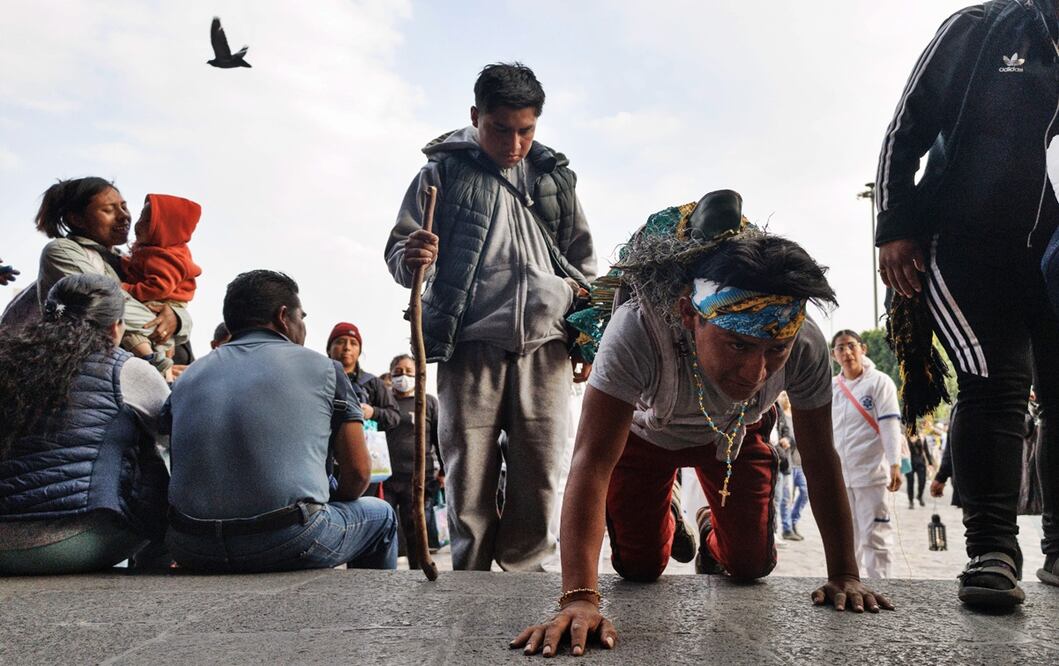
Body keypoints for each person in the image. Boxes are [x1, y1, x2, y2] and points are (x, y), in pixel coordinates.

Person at [512, 191, 891, 658]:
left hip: (735, 436)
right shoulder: (636, 331)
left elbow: (819, 456)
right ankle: (668, 510)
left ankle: (712, 526)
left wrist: (845, 575)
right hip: (647, 438)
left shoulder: (807, 343)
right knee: (640, 567)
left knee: (751, 565)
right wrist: (580, 599)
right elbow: (590, 463)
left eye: (775, 350)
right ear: (689, 315)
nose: (756, 374)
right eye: (737, 346)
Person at [875, 1, 1059, 606]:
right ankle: (993, 551)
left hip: (1052, 252)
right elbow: (908, 126)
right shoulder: (981, 28)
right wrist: (893, 224)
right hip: (967, 245)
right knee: (994, 381)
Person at [385, 62, 596, 571]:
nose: (515, 142)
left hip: (547, 348)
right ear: (476, 116)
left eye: (526, 130)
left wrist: (585, 338)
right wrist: (414, 255)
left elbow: (585, 267)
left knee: (542, 478)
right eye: (502, 128)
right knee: (468, 478)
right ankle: (472, 586)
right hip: (469, 345)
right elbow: (398, 254)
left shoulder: (555, 179)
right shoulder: (440, 173)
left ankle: (527, 586)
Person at [164, 270, 397, 572]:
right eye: (302, 316)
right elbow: (358, 474)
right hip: (287, 538)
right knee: (382, 516)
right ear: (284, 316)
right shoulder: (325, 369)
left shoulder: (189, 376)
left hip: (191, 543)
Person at [0, 274, 170, 574]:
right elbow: (176, 438)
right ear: (116, 326)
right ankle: (157, 567)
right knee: (151, 450)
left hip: (4, 548)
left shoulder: (9, 363)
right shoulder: (125, 368)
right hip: (73, 541)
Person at [1, 178, 187, 351]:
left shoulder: (125, 261)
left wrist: (177, 319)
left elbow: (167, 301)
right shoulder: (62, 252)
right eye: (109, 210)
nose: (124, 216)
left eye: (124, 207)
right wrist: (165, 329)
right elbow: (107, 306)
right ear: (77, 219)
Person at [830, 330, 903, 579]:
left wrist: (895, 463)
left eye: (851, 346)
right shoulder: (832, 388)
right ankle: (849, 583)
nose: (847, 352)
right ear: (833, 355)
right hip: (841, 477)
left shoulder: (880, 382)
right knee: (846, 538)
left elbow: (889, 423)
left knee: (876, 536)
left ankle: (880, 583)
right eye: (840, 348)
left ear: (863, 348)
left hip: (872, 475)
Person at [120, 193, 203, 377]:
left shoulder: (163, 256)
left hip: (164, 301)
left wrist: (128, 289)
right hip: (160, 307)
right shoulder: (150, 250)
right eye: (141, 216)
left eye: (148, 221)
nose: (137, 223)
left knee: (159, 340)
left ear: (166, 229)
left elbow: (159, 287)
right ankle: (161, 368)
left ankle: (162, 368)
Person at [384, 354, 446, 567]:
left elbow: (439, 438)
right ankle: (384, 572)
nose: (404, 376)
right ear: (391, 374)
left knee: (416, 528)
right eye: (399, 371)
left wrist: (444, 471)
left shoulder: (428, 402)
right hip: (387, 478)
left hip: (418, 478)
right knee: (387, 526)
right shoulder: (385, 402)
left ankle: (419, 571)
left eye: (409, 372)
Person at [326, 322, 399, 432]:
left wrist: (373, 412)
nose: (347, 347)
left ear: (360, 351)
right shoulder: (318, 379)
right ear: (329, 349)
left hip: (362, 446)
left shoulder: (373, 383)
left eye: (353, 343)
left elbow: (394, 417)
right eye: (340, 342)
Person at [777, 391, 808, 540]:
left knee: (804, 492)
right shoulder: (780, 416)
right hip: (787, 462)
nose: (787, 398)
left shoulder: (799, 415)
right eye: (784, 395)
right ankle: (787, 528)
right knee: (785, 496)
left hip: (801, 463)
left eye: (789, 395)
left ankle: (793, 521)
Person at [906, 433, 935, 509]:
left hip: (920, 463)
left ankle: (919, 496)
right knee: (910, 482)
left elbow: (926, 450)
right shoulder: (905, 438)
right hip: (909, 463)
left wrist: (930, 462)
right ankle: (911, 501)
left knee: (922, 481)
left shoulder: (922, 437)